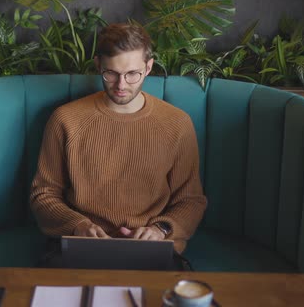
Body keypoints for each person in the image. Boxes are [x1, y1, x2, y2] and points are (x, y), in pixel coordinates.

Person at [30, 23, 207, 270]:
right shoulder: (65, 120)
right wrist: (78, 225)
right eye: (110, 73)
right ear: (98, 66)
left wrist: (160, 229)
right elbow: (43, 194)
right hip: (81, 245)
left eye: (132, 74)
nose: (121, 85)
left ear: (148, 67)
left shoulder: (177, 123)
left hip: (149, 248)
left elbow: (191, 200)